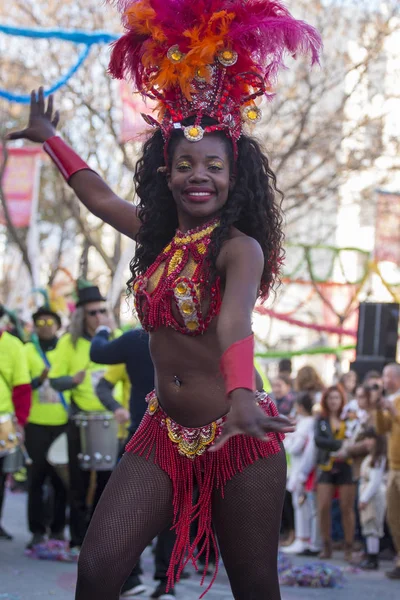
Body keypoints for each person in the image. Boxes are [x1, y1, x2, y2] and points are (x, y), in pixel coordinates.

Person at [7, 1, 320, 597]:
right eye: (185, 165)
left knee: (256, 588)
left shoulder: (239, 248)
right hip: (161, 434)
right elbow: (98, 197)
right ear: (166, 174)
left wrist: (239, 396)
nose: (199, 175)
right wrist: (52, 140)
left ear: (234, 178)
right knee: (98, 572)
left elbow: (232, 325)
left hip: (239, 436)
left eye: (213, 166)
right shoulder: (159, 236)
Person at [48, 285, 118, 554]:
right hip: (80, 419)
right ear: (81, 316)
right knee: (78, 484)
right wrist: (71, 380)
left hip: (111, 420)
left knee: (106, 484)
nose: (99, 316)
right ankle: (77, 541)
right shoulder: (70, 343)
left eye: (102, 310)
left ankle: (97, 541)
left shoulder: (117, 338)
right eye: (93, 312)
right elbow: (55, 381)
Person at [24, 306, 68, 549]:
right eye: (39, 323)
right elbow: (20, 386)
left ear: (58, 324)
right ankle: (37, 530)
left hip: (63, 422)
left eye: (49, 321)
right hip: (36, 424)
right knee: (36, 479)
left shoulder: (65, 348)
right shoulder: (27, 350)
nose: (45, 326)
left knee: (60, 481)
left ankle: (59, 528)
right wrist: (37, 381)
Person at [0, 305, 32, 540]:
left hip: (2, 420)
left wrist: (20, 422)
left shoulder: (13, 345)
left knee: (1, 477)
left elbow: (22, 388)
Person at [315, 385, 356, 561]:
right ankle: (326, 545)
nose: (333, 401)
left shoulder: (350, 418)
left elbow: (356, 438)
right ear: (326, 400)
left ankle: (348, 547)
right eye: (330, 398)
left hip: (346, 466)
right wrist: (340, 445)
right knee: (323, 507)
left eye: (337, 398)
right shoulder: (321, 419)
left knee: (346, 508)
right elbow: (319, 440)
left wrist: (346, 447)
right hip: (326, 466)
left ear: (342, 400)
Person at [375, 363, 400, 579]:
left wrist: (394, 412)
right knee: (393, 517)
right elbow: (382, 429)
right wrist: (378, 409)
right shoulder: (391, 401)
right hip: (393, 467)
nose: (384, 380)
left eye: (387, 376)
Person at [283, 393, 316, 555]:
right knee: (299, 505)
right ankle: (301, 538)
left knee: (303, 506)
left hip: (302, 469)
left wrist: (288, 439)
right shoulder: (304, 422)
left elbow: (295, 447)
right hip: (298, 469)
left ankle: (304, 539)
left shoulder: (307, 423)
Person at [358, 428, 387, 571]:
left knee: (372, 527)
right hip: (368, 495)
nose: (367, 442)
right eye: (366, 438)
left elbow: (375, 482)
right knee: (368, 527)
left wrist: (364, 498)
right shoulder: (370, 457)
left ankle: (373, 558)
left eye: (370, 438)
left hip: (374, 497)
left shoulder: (378, 458)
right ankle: (370, 555)